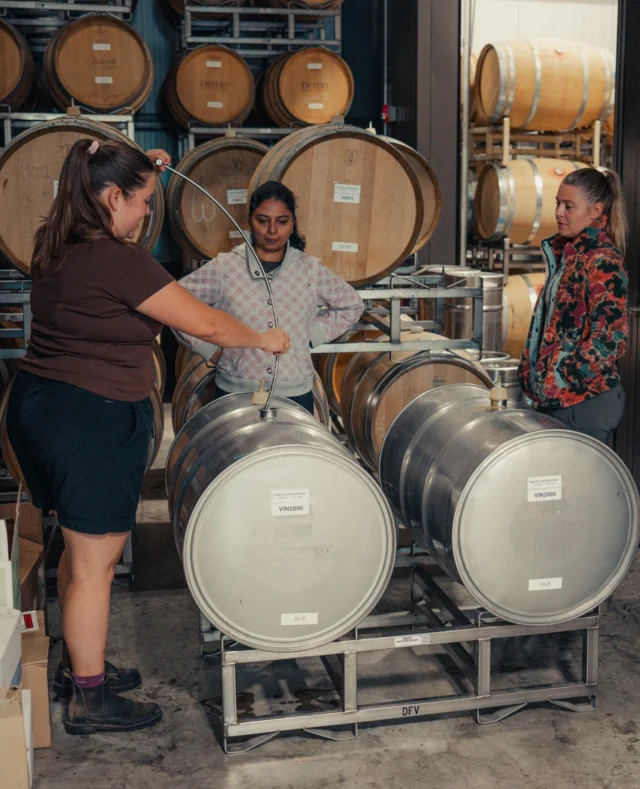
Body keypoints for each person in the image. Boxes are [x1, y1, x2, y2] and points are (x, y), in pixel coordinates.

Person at [6, 139, 289, 735]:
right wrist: (263, 339)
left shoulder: (56, 242)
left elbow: (96, 164)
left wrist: (143, 164)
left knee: (78, 551)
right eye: (138, 203)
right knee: (96, 563)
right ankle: (88, 698)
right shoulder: (117, 259)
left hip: (43, 406)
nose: (144, 216)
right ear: (110, 198)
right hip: (91, 418)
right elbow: (205, 322)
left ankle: (80, 667)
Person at [173, 181, 365, 413]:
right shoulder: (226, 267)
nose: (272, 230)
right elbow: (174, 302)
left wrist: (309, 335)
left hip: (295, 392)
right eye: (263, 221)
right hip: (236, 390)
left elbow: (352, 305)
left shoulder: (309, 269)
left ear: (293, 223)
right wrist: (206, 347)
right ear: (250, 221)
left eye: (281, 221)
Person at [518, 168, 628, 443]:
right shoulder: (567, 257)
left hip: (585, 403)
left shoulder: (602, 261)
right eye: (558, 203)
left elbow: (610, 340)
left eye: (569, 206)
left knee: (580, 486)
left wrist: (560, 375)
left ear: (595, 211)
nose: (558, 212)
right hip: (558, 401)